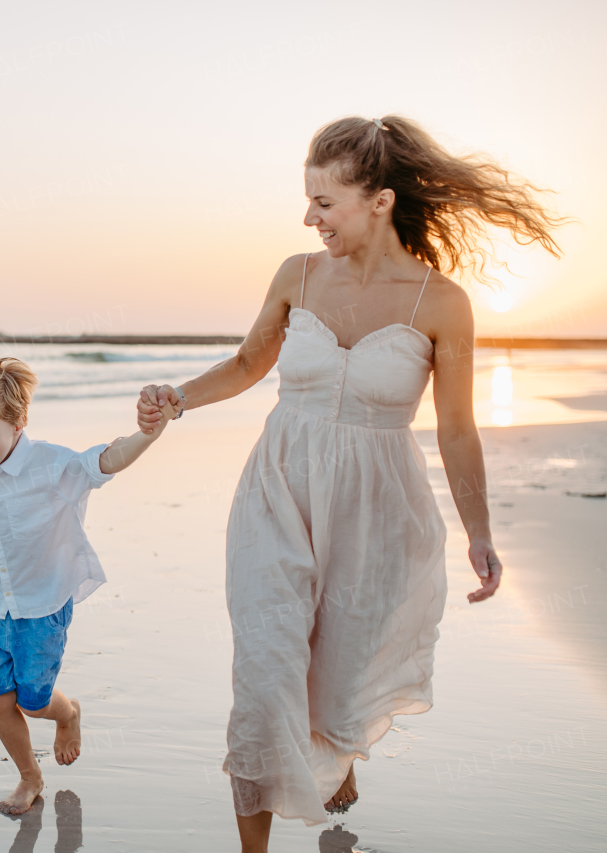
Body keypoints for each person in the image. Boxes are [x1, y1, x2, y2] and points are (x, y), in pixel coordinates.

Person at [136, 115, 565, 851]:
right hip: (278, 491)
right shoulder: (296, 274)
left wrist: (481, 531)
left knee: (334, 694)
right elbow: (247, 364)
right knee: (265, 673)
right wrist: (177, 397)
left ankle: (338, 758)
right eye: (308, 202)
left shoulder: (441, 303)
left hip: (376, 513)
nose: (309, 217)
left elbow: (457, 429)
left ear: (379, 200)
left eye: (324, 202)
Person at [0, 356, 177, 815]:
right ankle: (29, 777)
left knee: (33, 703)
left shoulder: (53, 464)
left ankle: (67, 714)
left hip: (42, 607)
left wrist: (151, 430)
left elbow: (109, 458)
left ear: (18, 422)